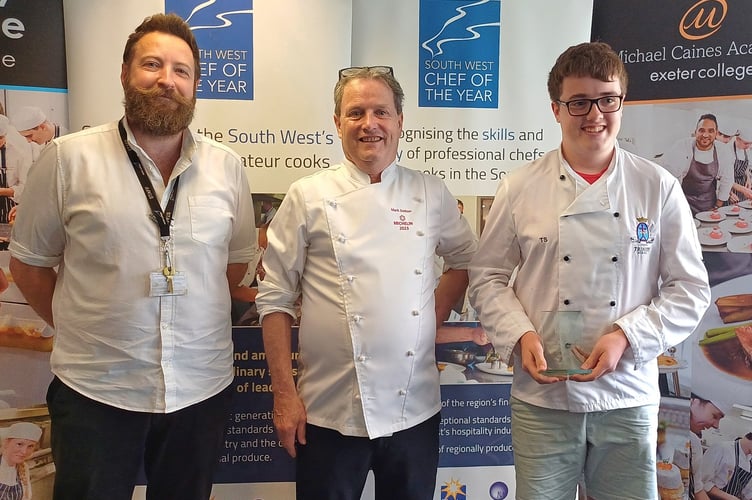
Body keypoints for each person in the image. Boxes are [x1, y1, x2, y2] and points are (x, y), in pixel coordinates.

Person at [7, 13, 255, 500]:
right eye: (152, 64)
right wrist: (87, 327)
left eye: (182, 71)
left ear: (196, 85)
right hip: (96, 389)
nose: (167, 80)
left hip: (200, 390)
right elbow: (29, 265)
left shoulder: (227, 168)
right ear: (124, 73)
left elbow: (231, 267)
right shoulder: (66, 159)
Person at [468, 41, 711, 500]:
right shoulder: (520, 188)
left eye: (607, 99)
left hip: (627, 396)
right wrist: (520, 334)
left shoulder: (656, 186)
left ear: (622, 103)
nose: (594, 114)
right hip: (543, 399)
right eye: (579, 102)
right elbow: (487, 277)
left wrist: (627, 335)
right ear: (556, 110)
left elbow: (690, 289)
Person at [256, 65, 477, 500]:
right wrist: (284, 396)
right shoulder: (307, 195)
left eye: (381, 112)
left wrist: (433, 313)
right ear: (337, 123)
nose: (369, 124)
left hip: (414, 407)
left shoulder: (430, 193)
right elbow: (275, 298)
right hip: (328, 411)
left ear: (400, 121)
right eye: (355, 112)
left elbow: (466, 258)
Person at [661, 114, 736, 214]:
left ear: (716, 133)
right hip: (684, 201)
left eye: (710, 131)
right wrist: (675, 206)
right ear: (695, 132)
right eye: (701, 130)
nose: (705, 135)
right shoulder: (682, 146)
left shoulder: (723, 151)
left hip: (709, 203)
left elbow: (727, 180)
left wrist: (717, 206)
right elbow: (671, 179)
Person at [690, 394, 726, 500]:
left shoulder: (694, 443)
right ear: (694, 402)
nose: (716, 426)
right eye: (715, 416)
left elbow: (697, 488)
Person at [700, 433, 752, 499]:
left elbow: (747, 492)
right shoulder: (721, 448)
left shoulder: (750, 461)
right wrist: (729, 497)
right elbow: (701, 481)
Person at [0, 422, 42, 500]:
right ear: (6, 442)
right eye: (19, 444)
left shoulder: (24, 468)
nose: (24, 451)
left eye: (30, 446)